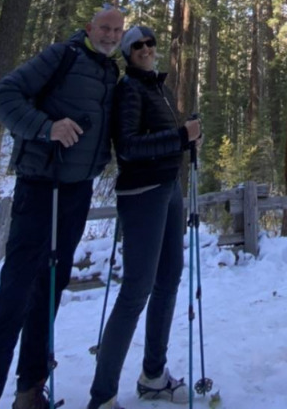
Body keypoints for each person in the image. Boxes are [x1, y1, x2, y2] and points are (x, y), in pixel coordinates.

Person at [0, 6, 125, 409]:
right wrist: (44, 127)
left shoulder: (111, 72)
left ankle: (29, 391)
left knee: (50, 291)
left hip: (76, 192)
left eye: (116, 30)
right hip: (40, 187)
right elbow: (2, 95)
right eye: (104, 28)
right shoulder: (61, 56)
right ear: (90, 28)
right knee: (14, 296)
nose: (110, 35)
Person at [87, 25, 202, 409]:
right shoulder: (130, 90)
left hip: (169, 188)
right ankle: (102, 396)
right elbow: (130, 147)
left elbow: (169, 137)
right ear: (126, 52)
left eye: (150, 42)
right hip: (142, 195)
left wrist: (188, 137)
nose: (146, 48)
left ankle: (153, 375)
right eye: (137, 45)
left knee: (169, 279)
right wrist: (181, 137)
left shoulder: (160, 89)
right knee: (136, 290)